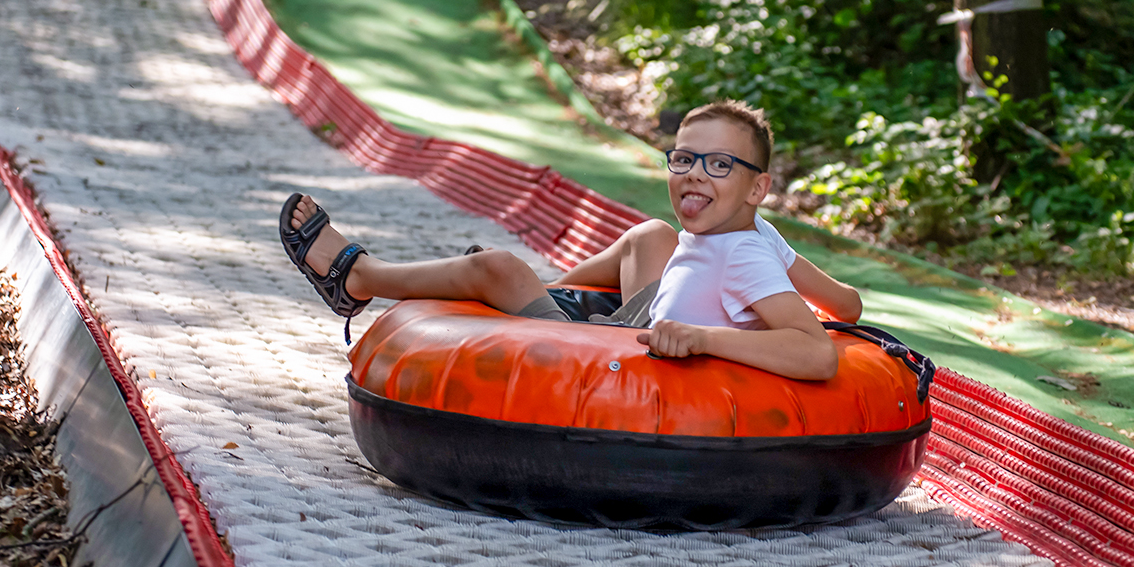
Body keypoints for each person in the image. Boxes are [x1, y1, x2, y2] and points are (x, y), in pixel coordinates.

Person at [280, 101, 860, 380]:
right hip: (646, 317)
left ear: (758, 186)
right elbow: (847, 307)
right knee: (652, 236)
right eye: (683, 158)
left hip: (626, 356)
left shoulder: (746, 257)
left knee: (499, 268)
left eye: (717, 165)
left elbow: (814, 354)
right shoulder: (758, 229)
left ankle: (358, 278)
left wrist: (706, 337)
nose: (693, 174)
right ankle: (546, 293)